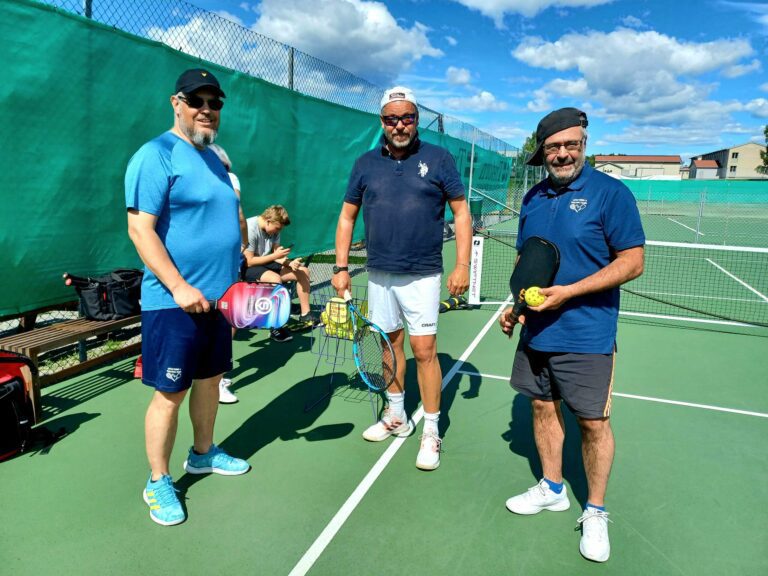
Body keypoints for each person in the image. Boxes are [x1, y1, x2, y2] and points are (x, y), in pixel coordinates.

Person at [499, 107, 645, 562]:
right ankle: (552, 487)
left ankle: (595, 511)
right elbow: (528, 260)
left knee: (593, 423)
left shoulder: (611, 194)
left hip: (587, 335)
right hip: (537, 332)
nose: (562, 154)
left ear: (584, 145)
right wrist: (516, 306)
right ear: (542, 152)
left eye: (571, 145)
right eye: (553, 147)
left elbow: (632, 262)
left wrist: (569, 293)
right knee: (541, 407)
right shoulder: (533, 197)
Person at [125, 68, 250, 527]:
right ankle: (158, 480)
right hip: (172, 303)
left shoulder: (215, 159)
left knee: (210, 381)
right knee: (170, 393)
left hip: (219, 303)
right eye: (196, 101)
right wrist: (179, 286)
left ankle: (202, 453)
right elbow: (140, 230)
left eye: (214, 103)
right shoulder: (155, 155)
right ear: (176, 103)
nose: (206, 110)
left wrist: (236, 283)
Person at [332, 86, 471, 471]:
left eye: (407, 117)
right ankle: (396, 415)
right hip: (379, 272)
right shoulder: (365, 163)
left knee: (424, 351)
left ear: (416, 120)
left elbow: (461, 213)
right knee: (389, 345)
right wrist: (341, 269)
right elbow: (346, 217)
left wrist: (462, 265)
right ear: (382, 122)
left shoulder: (439, 158)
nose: (399, 125)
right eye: (392, 119)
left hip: (422, 274)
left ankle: (431, 430)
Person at [242, 205, 315, 343]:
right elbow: (249, 261)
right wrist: (275, 256)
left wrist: (289, 263)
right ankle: (275, 327)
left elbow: (277, 255)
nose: (278, 231)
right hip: (247, 267)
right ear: (268, 221)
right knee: (275, 279)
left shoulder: (274, 228)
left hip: (266, 262)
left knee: (303, 272)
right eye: (277, 228)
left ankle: (306, 315)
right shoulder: (250, 228)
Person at [209, 144, 246, 404]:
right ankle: (216, 379)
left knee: (219, 317)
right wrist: (244, 244)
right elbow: (238, 215)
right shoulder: (229, 178)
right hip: (221, 260)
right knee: (226, 317)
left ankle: (213, 377)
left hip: (208, 261)